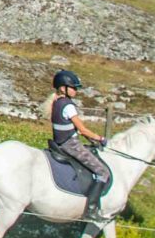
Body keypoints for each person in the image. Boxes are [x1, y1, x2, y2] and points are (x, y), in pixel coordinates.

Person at [48, 70, 112, 221]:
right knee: (103, 172)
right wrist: (100, 138)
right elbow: (82, 129)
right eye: (73, 87)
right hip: (70, 145)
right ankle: (92, 210)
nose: (76, 90)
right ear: (63, 88)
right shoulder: (69, 106)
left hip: (60, 142)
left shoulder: (56, 102)